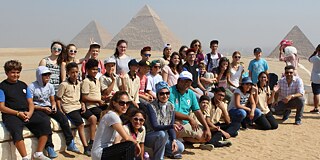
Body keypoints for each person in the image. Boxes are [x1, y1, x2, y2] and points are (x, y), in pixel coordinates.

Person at [0, 60, 51, 160]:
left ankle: (39, 153)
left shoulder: (23, 85)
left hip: (27, 112)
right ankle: (25, 157)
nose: (15, 75)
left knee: (45, 122)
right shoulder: (2, 87)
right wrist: (18, 113)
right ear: (7, 73)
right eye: (13, 72)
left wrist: (30, 113)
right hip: (11, 114)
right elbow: (1, 107)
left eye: (18, 72)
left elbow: (30, 102)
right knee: (15, 131)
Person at [29, 66, 80, 158]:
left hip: (48, 107)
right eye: (45, 75)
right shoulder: (32, 87)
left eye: (49, 74)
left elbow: (52, 99)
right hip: (37, 109)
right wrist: (41, 108)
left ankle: (70, 143)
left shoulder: (50, 86)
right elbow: (30, 103)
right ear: (39, 76)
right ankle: (49, 147)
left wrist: (53, 105)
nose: (48, 77)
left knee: (63, 118)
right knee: (46, 123)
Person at [56, 62, 96, 156]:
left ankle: (92, 142)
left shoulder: (79, 83)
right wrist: (60, 110)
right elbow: (58, 98)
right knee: (81, 124)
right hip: (69, 108)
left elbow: (82, 97)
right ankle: (86, 148)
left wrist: (82, 104)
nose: (75, 74)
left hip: (78, 106)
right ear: (68, 73)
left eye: (76, 72)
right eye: (72, 72)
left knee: (93, 118)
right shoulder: (63, 84)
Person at [169, 71, 212, 150]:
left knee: (205, 136)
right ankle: (179, 140)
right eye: (183, 81)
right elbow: (171, 112)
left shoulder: (191, 94)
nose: (186, 83)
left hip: (186, 123)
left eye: (188, 81)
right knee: (176, 127)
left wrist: (207, 128)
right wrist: (189, 118)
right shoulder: (170, 91)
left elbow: (197, 111)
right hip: (173, 122)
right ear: (178, 81)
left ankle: (183, 139)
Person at [91, 91, 140, 160]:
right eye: (122, 103)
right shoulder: (112, 116)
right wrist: (136, 143)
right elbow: (126, 137)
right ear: (114, 103)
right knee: (130, 145)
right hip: (100, 152)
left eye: (127, 103)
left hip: (105, 150)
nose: (125, 106)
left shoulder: (113, 115)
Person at [145, 81, 184, 159]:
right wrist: (172, 126)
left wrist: (173, 140)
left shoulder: (171, 106)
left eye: (167, 93)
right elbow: (155, 126)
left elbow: (171, 126)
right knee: (162, 134)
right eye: (162, 93)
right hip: (151, 136)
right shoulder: (151, 106)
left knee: (180, 147)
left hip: (164, 137)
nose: (165, 96)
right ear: (157, 94)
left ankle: (162, 152)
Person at [308, 44, 320, 113]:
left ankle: (316, 108)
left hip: (316, 78)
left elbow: (309, 59)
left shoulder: (316, 58)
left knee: (316, 94)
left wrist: (315, 52)